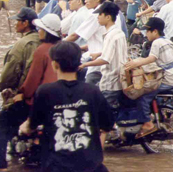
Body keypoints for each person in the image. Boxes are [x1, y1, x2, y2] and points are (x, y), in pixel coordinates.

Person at [19, 42, 113, 172]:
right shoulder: (93, 91)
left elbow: (32, 124)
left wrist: (24, 127)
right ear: (78, 64)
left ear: (55, 64)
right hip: (90, 166)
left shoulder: (45, 91)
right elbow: (107, 124)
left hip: (56, 166)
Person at [0, 8, 40, 172]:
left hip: (25, 97)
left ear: (25, 24)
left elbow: (9, 75)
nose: (15, 23)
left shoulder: (21, 45)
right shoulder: (44, 41)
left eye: (18, 20)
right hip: (42, 96)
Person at [124, 17, 173, 137]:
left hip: (167, 80)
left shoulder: (156, 42)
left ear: (155, 31)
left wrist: (136, 63)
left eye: (147, 31)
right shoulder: (168, 41)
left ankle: (147, 124)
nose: (146, 34)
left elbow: (152, 59)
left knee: (142, 95)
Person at [79, 2, 128, 109]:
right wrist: (99, 53)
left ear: (108, 17)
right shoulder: (119, 33)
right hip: (120, 79)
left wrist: (85, 64)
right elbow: (115, 51)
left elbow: (105, 59)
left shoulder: (110, 35)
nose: (98, 17)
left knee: (103, 113)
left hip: (111, 82)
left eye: (100, 14)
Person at [13, 14, 61, 110]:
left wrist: (23, 94)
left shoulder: (42, 50)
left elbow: (33, 79)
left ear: (47, 32)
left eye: (41, 29)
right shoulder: (63, 47)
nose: (38, 31)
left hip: (43, 98)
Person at [64, 0, 107, 85]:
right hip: (103, 57)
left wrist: (57, 45)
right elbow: (100, 38)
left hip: (97, 62)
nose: (85, 0)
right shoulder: (111, 11)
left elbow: (75, 35)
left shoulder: (97, 14)